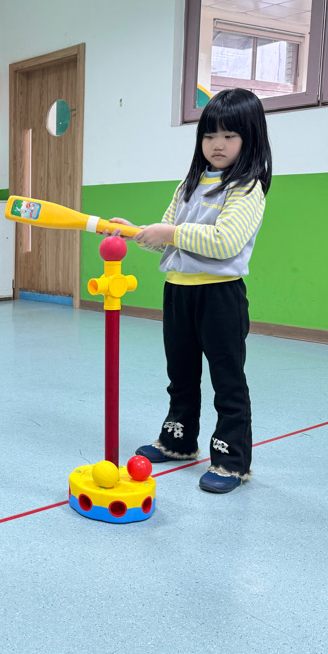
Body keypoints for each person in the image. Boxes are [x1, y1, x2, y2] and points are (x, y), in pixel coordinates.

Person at [112, 88, 271, 494]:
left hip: (220, 296)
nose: (217, 144)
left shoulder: (247, 188)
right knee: (180, 374)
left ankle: (231, 461)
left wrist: (169, 232)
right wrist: (135, 232)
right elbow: (166, 239)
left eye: (229, 136)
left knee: (227, 380)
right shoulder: (189, 184)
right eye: (209, 135)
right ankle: (179, 440)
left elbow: (224, 242)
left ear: (250, 138)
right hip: (178, 292)